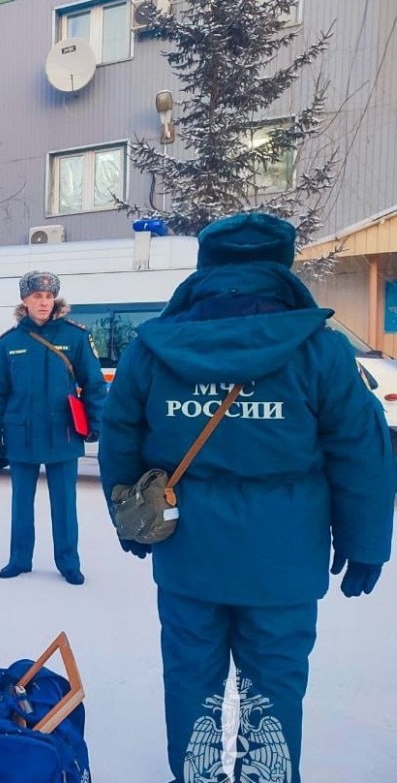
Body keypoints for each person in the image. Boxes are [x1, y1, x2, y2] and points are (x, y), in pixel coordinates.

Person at [99, 213, 395, 783]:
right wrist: (365, 542)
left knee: (191, 682)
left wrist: (126, 520)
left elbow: (120, 438)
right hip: (284, 559)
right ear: (282, 269)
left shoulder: (153, 347)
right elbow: (362, 450)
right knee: (275, 687)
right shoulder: (321, 351)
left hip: (188, 554)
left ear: (205, 268)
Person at [0, 270, 107, 585]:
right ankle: (19, 559)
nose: (44, 302)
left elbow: (93, 383)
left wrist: (95, 421)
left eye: (49, 296)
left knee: (64, 503)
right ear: (25, 299)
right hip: (21, 433)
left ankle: (68, 563)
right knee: (21, 502)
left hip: (62, 432)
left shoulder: (75, 336)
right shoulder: (9, 342)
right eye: (37, 296)